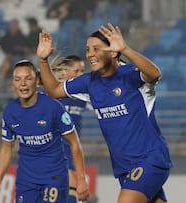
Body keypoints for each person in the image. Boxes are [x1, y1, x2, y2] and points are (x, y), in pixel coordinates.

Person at [37, 23, 173, 203]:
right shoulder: (88, 82)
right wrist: (43, 60)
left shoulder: (130, 75)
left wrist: (125, 48)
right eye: (87, 49)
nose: (90, 54)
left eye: (96, 49)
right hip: (124, 168)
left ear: (112, 52)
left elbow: (155, 74)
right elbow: (54, 90)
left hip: (150, 159)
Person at [0, 60, 89, 203]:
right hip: (26, 180)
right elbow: (6, 149)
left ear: (36, 81)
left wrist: (81, 179)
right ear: (13, 83)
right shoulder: (10, 112)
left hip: (54, 177)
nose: (23, 83)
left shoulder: (54, 107)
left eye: (28, 78)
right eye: (18, 79)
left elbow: (74, 143)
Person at [50, 54, 93, 203]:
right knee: (72, 182)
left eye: (82, 71)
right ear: (64, 71)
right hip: (55, 150)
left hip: (73, 150)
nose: (80, 74)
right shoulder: (53, 92)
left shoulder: (83, 95)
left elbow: (100, 107)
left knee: (71, 189)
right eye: (76, 70)